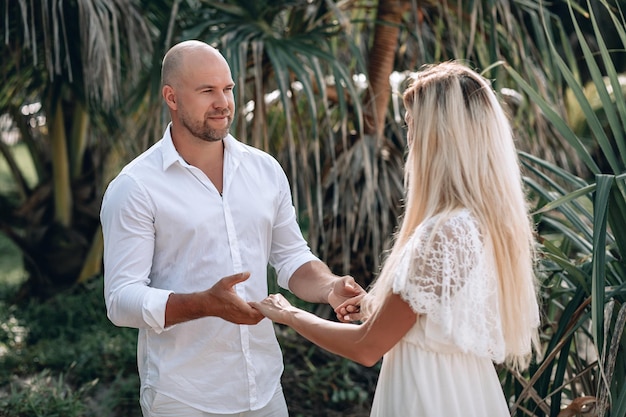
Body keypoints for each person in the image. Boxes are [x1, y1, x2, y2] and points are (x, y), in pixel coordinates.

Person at [251, 61, 542, 416]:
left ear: (441, 135)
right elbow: (434, 317)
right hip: (464, 391)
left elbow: (367, 346)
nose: (410, 140)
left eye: (413, 125)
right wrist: (376, 305)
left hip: (428, 398)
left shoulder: (444, 233)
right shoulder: (480, 223)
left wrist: (290, 314)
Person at [100, 39, 365, 417]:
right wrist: (203, 304)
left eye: (227, 89)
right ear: (171, 97)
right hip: (183, 397)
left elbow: (291, 257)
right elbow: (120, 301)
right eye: (207, 90)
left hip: (266, 389)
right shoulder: (135, 187)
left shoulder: (265, 170)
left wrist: (329, 288)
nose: (223, 102)